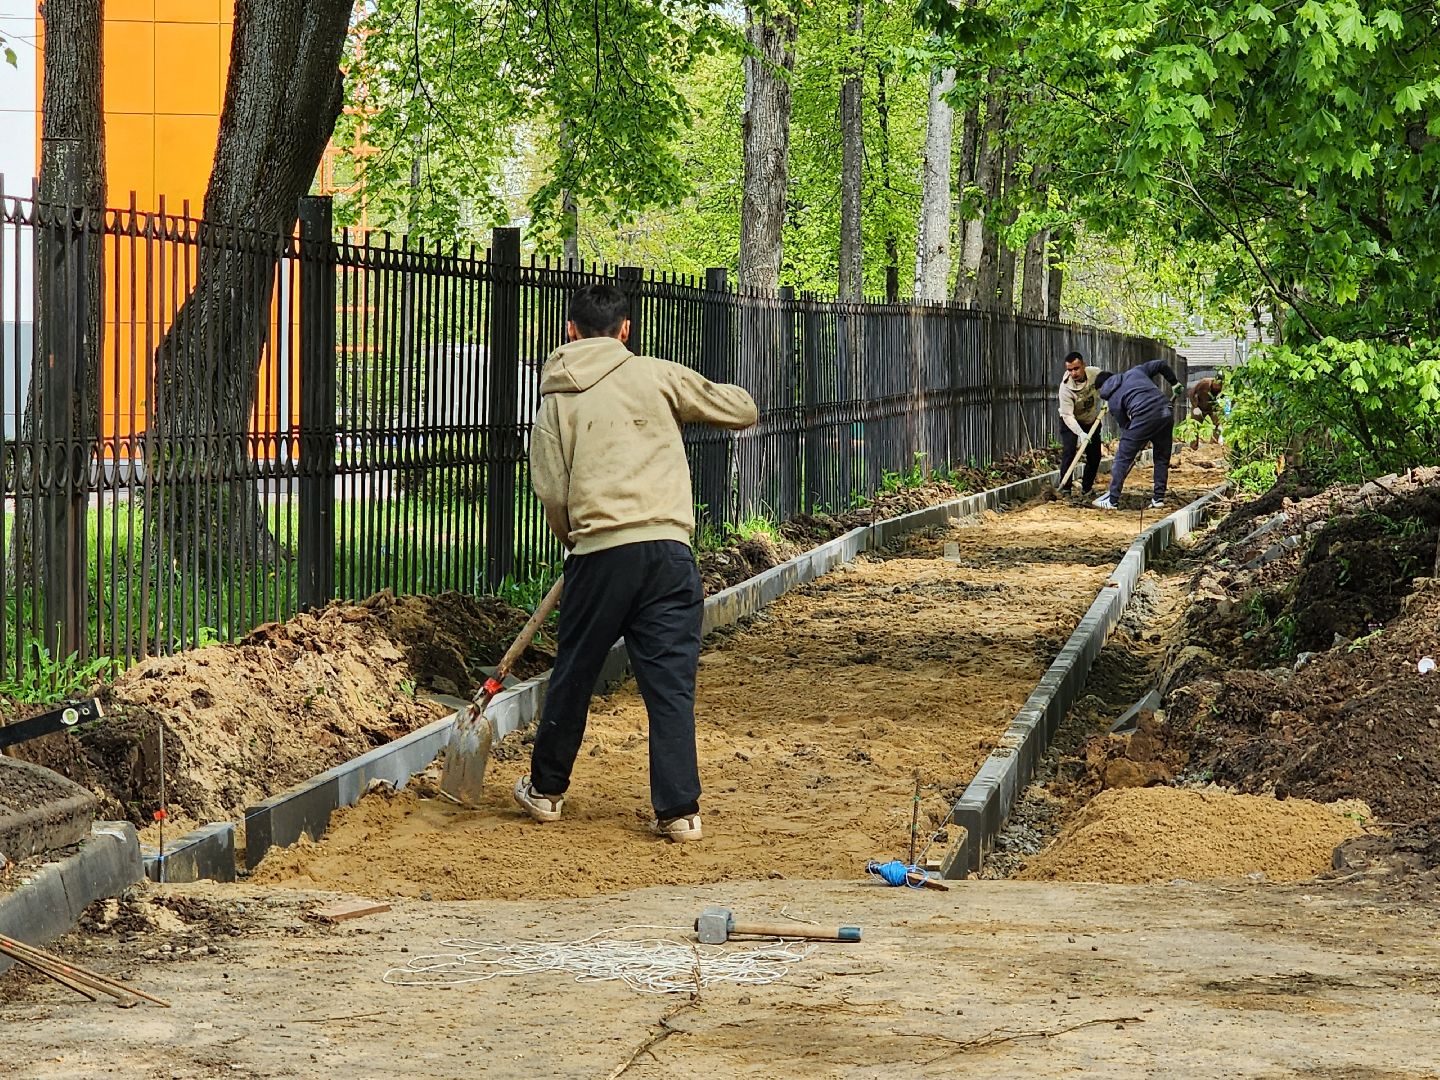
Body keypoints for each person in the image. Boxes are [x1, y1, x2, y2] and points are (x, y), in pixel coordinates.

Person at [514, 283, 758, 843]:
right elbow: (741, 408)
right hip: (669, 553)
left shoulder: (556, 399)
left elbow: (552, 490)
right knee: (669, 683)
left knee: (574, 673)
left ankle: (547, 791)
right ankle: (679, 812)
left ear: (570, 330)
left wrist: (571, 539)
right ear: (626, 330)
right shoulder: (655, 374)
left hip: (598, 555)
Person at [1093, 359, 1183, 511]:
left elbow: (1126, 427)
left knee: (1122, 457)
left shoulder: (1113, 401)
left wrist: (1137, 441)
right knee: (1161, 457)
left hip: (1143, 416)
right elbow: (1161, 364)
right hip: (1165, 410)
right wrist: (1174, 383)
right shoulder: (1136, 372)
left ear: (1101, 389)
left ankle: (1112, 500)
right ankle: (1158, 499)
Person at [1056, 351, 1104, 497]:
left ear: (1083, 365)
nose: (1073, 373)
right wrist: (1080, 433)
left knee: (1094, 455)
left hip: (1091, 420)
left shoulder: (1095, 374)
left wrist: (1109, 397)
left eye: (1076, 368)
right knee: (1069, 451)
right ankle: (1065, 489)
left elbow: (1110, 381)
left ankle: (1087, 488)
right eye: (1070, 370)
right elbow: (1068, 415)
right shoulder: (1065, 389)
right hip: (1071, 422)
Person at [1185, 375, 1224, 447]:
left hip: (1213, 408)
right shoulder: (1204, 383)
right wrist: (1195, 406)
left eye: (1219, 385)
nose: (1217, 387)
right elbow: (1191, 393)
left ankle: (1213, 444)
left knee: (1217, 424)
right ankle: (1193, 445)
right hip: (1199, 406)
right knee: (1194, 424)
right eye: (1216, 384)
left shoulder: (1223, 389)